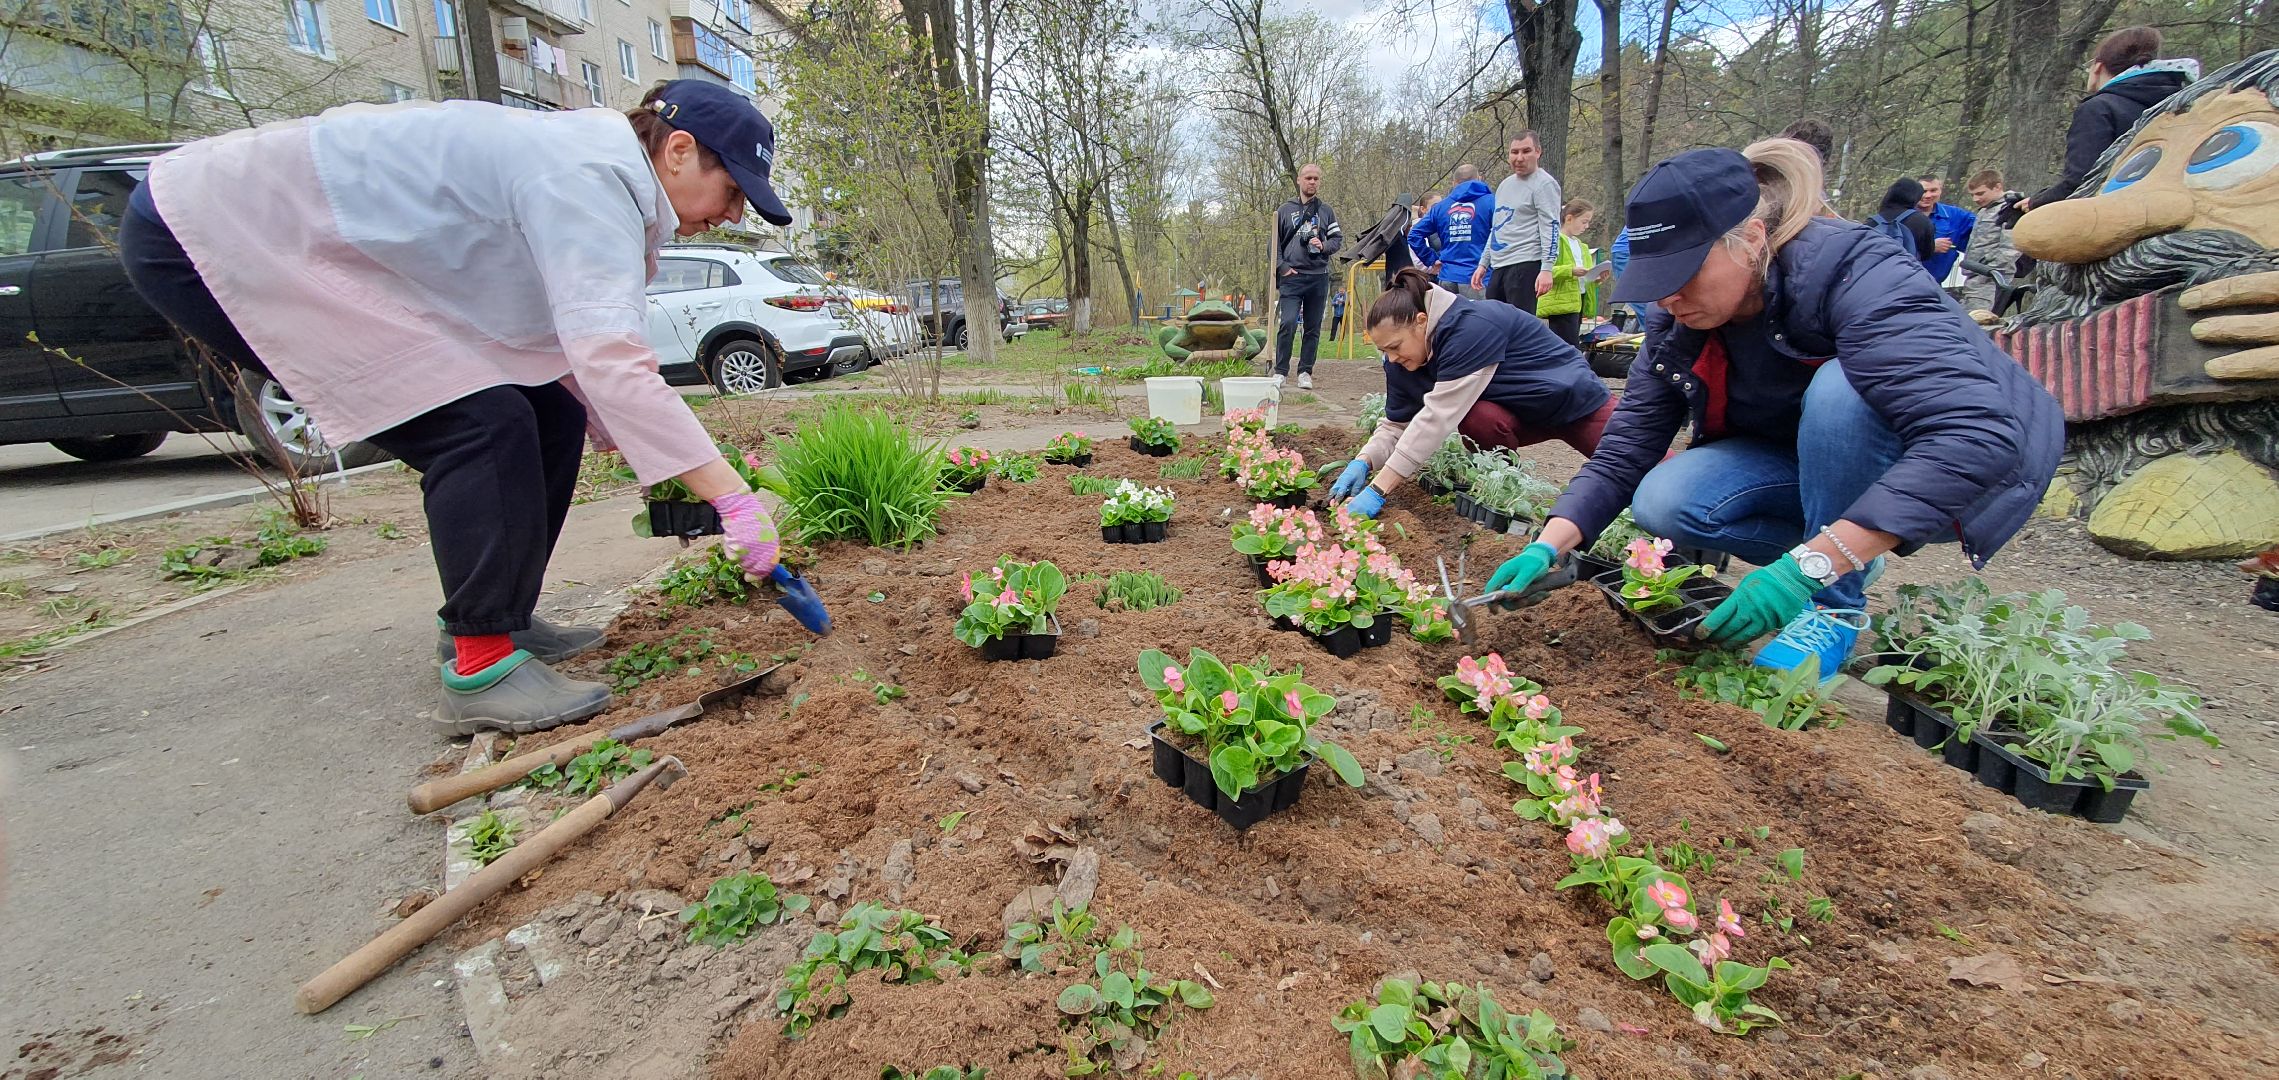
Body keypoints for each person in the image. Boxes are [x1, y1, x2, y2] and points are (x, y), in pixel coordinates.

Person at [117, 82, 793, 735]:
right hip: (210, 232)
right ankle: (481, 664)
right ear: (677, 150)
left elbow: (569, 344)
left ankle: (500, 618)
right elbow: (611, 357)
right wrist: (732, 499)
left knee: (547, 413)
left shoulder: (594, 171)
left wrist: (662, 451)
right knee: (479, 425)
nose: (734, 214)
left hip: (290, 240)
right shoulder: (583, 178)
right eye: (732, 189)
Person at [1483, 141, 2063, 679]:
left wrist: (1803, 571)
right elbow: (1625, 450)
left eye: (1683, 276)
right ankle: (1842, 549)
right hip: (1801, 461)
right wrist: (1551, 542)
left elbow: (1975, 434)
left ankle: (1835, 606)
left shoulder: (1857, 269)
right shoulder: (1676, 323)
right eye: (1656, 280)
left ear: (1753, 238)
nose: (1667, 297)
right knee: (1665, 500)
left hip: (1955, 467)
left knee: (1841, 390)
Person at [1325, 267, 1612, 520]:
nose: (1392, 357)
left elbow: (1436, 418)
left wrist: (1378, 489)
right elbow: (1397, 425)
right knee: (1477, 419)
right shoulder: (1402, 361)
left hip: (1573, 402)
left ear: (1421, 321)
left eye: (1395, 346)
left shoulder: (1470, 327)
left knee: (1639, 463)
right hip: (1518, 415)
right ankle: (1505, 493)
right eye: (1384, 350)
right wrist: (1363, 461)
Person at [2021, 27, 2199, 212]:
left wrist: (2035, 203)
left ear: (2098, 66)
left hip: (2119, 219)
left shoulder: (2099, 108)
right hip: (2182, 213)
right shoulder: (2187, 104)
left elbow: (2082, 182)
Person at [1273, 162, 1342, 390]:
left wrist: (1322, 246)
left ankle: (1305, 371)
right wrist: (1282, 267)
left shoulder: (1325, 210)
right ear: (1299, 181)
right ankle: (1281, 371)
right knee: (1288, 322)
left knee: (1312, 327)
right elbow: (1273, 245)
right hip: (1292, 277)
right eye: (1308, 178)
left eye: (1316, 178)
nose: (1312, 182)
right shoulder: (1284, 210)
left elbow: (1336, 240)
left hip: (1318, 276)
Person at [1479, 132, 1562, 315]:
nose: (1519, 158)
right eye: (1514, 152)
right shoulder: (1504, 185)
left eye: (1526, 151)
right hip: (1500, 265)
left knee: (1520, 324)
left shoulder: (1544, 184)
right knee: (1493, 321)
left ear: (1538, 152)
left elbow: (1551, 227)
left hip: (1525, 262)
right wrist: (1483, 263)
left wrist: (1547, 268)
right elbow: (1497, 228)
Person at [1407, 165, 1495, 299]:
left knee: (1449, 319)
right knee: (1479, 319)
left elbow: (1414, 235)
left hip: (1447, 278)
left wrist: (1431, 260)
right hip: (1478, 278)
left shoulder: (1441, 208)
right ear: (1479, 179)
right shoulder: (1492, 202)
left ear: (1454, 183)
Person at [1536, 199, 1600, 347]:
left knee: (1572, 342)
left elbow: (1587, 274)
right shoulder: (1555, 241)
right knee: (1567, 345)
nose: (1587, 226)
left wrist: (1596, 277)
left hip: (1578, 299)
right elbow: (1544, 270)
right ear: (1569, 218)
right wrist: (1570, 270)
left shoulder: (1582, 246)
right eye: (1584, 221)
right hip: (1561, 302)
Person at [1959, 168, 2022, 314]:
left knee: (1978, 320)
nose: (1976, 199)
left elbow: (2011, 248)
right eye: (1973, 195)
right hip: (1974, 276)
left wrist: (1990, 270)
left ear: (1998, 187)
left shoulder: (2010, 209)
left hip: (1991, 279)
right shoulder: (1984, 210)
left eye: (1980, 193)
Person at [1914, 175, 1975, 287]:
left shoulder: (1955, 216)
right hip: (1903, 284)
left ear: (1941, 190)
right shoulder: (1902, 216)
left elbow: (1986, 225)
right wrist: (1929, 247)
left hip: (1934, 286)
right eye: (1923, 191)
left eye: (1933, 190)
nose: (1928, 195)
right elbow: (1890, 249)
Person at [1869, 178, 1937, 268]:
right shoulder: (1922, 221)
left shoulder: (1871, 221)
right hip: (1905, 274)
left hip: (1874, 272)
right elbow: (1926, 255)